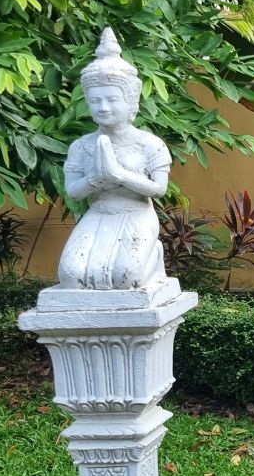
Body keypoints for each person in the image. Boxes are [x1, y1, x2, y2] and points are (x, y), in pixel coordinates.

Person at [58, 28, 172, 292]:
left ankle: (153, 256)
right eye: (95, 100)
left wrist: (118, 175)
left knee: (127, 278)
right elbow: (73, 192)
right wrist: (96, 179)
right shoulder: (82, 146)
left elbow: (159, 188)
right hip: (98, 213)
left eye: (111, 99)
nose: (103, 107)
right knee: (71, 276)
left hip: (136, 213)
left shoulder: (149, 144)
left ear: (130, 100)